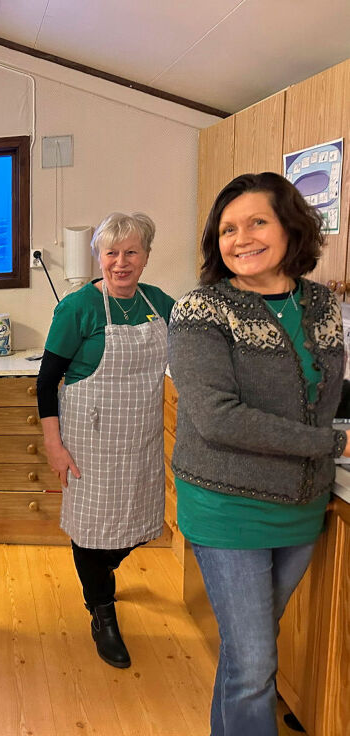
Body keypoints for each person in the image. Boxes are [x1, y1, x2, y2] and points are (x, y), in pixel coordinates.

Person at [169, 172, 350, 736]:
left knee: (250, 652)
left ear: (290, 226)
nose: (241, 238)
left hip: (300, 503)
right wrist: (335, 443)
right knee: (254, 665)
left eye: (256, 222)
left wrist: (326, 440)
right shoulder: (202, 310)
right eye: (227, 229)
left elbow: (325, 394)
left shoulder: (321, 304)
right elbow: (216, 416)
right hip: (227, 503)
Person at [36, 212, 175, 669]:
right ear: (99, 256)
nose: (121, 262)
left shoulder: (159, 303)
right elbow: (46, 381)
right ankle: (102, 612)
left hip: (139, 439)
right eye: (111, 252)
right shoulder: (78, 307)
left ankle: (101, 572)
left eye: (131, 252)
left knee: (138, 523)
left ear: (146, 256)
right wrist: (53, 445)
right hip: (87, 441)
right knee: (91, 531)